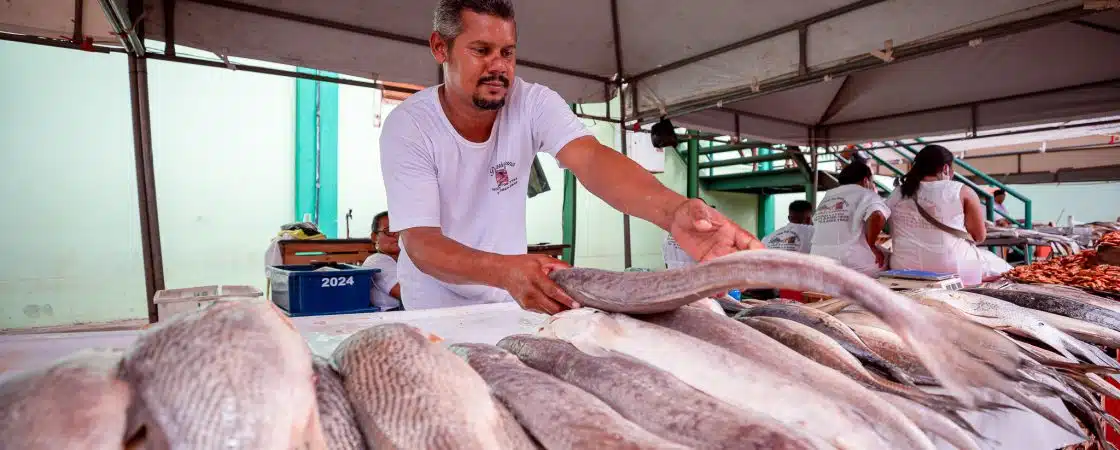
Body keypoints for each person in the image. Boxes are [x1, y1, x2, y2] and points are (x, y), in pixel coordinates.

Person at [379, 0, 760, 314]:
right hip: (435, 307)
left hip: (511, 297)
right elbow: (421, 243)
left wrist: (673, 212)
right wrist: (505, 270)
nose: (499, 66)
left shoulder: (532, 102)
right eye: (481, 50)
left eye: (507, 53)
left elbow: (593, 160)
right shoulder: (410, 125)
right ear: (440, 47)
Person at [886, 145, 988, 282]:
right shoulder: (962, 191)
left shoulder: (897, 193)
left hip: (904, 269)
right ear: (946, 168)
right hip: (952, 272)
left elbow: (887, 226)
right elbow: (979, 236)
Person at [810, 162, 890, 276]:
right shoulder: (866, 193)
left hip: (818, 261)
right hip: (851, 263)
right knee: (889, 257)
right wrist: (871, 245)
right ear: (866, 180)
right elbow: (878, 215)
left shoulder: (827, 197)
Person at [361, 211, 403, 311]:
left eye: (400, 231)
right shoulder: (377, 261)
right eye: (389, 231)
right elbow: (407, 294)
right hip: (391, 319)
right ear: (375, 237)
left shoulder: (405, 260)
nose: (397, 236)